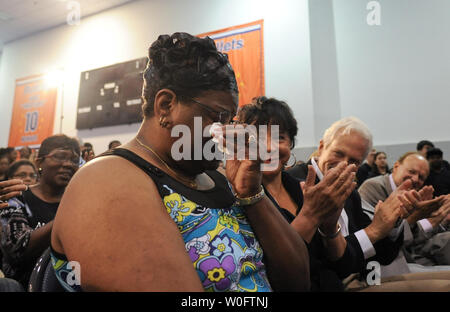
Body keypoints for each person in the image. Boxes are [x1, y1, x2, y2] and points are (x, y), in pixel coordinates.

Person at [50, 32, 310, 292]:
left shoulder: (219, 179)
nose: (225, 132)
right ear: (166, 106)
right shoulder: (107, 180)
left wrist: (252, 195)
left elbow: (299, 280)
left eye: (230, 120)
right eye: (217, 116)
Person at [287, 117, 412, 288]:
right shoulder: (296, 183)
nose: (343, 164)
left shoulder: (351, 192)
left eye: (354, 161)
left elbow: (382, 256)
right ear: (322, 147)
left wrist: (394, 220)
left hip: (368, 278)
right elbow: (325, 262)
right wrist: (374, 230)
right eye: (338, 153)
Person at [0, 134, 80, 288]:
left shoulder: (80, 201)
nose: (68, 164)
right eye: (60, 156)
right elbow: (17, 249)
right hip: (25, 284)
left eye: (74, 160)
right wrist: (68, 216)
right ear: (38, 163)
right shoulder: (15, 197)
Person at [358, 152, 450, 277]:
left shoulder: (413, 193)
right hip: (382, 267)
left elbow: (416, 233)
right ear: (396, 166)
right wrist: (422, 220)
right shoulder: (373, 188)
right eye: (412, 172)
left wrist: (441, 219)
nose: (416, 179)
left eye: (421, 177)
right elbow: (382, 242)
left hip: (411, 255)